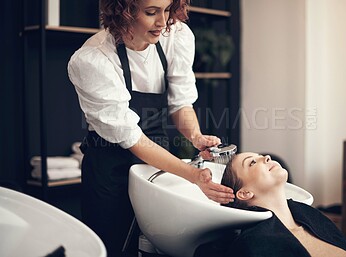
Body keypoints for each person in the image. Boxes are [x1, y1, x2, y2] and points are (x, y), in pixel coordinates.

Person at [67, 0, 234, 256]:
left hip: (157, 162)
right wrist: (191, 175)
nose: (163, 21)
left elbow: (180, 103)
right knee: (113, 245)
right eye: (151, 12)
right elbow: (131, 137)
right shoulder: (94, 59)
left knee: (158, 242)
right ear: (123, 12)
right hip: (111, 169)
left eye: (167, 9)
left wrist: (196, 137)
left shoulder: (173, 36)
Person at [214, 153, 346, 257]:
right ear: (245, 193)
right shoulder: (255, 243)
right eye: (252, 162)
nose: (266, 157)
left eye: (261, 157)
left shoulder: (312, 216)